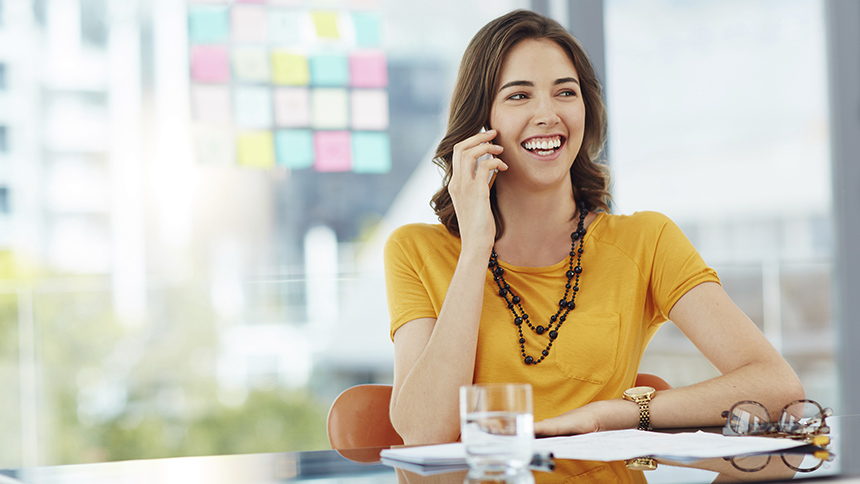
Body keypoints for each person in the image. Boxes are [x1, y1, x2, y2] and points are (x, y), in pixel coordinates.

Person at [383, 9, 803, 445]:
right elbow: (424, 430)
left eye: (566, 92)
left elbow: (777, 388)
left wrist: (616, 414)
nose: (547, 114)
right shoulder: (414, 250)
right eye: (518, 96)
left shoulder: (647, 241)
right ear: (479, 125)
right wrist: (475, 248)